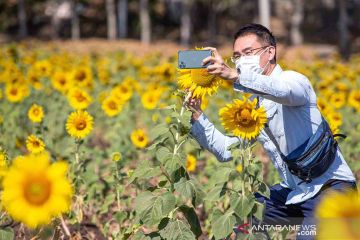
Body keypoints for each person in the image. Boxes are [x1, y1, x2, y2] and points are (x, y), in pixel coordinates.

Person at [188, 23, 357, 239]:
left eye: (248, 52)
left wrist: (236, 77)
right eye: (237, 56)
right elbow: (226, 150)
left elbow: (283, 91)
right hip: (295, 193)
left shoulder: (295, 81)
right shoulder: (256, 108)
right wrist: (197, 115)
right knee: (246, 217)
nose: (241, 60)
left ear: (270, 52)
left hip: (331, 188)